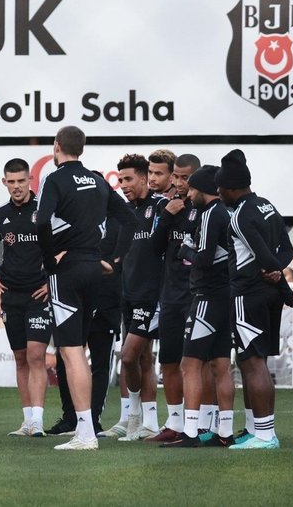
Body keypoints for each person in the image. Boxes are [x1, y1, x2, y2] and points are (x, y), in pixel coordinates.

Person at [35, 126, 136, 451]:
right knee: (78, 351)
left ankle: (85, 433)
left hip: (68, 271)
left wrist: (50, 260)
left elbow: (41, 221)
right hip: (95, 271)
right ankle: (86, 427)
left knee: (72, 351)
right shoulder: (97, 181)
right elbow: (130, 219)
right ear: (82, 147)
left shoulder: (55, 179)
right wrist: (113, 259)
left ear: (56, 146)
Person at [216, 149, 293, 450]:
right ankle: (254, 429)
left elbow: (263, 255)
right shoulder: (267, 205)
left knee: (252, 362)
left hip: (248, 293)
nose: (219, 193)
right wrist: (280, 278)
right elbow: (287, 249)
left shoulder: (239, 217)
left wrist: (275, 274)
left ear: (231, 187)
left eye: (220, 188)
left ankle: (264, 435)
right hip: (269, 293)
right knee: (254, 360)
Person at [162, 166, 237, 448]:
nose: (189, 193)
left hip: (207, 297)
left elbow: (204, 259)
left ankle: (191, 432)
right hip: (225, 296)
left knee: (190, 364)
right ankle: (225, 432)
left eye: (192, 188)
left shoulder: (209, 214)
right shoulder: (225, 213)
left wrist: (185, 249)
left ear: (203, 189)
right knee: (220, 365)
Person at [0, 158, 51, 437]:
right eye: (11, 182)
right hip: (11, 296)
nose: (16, 187)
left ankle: (38, 421)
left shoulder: (45, 211)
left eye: (21, 181)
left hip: (38, 295)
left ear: (30, 180)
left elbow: (63, 247)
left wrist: (50, 281)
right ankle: (27, 420)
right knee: (21, 357)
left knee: (36, 355)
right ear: (4, 183)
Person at [145, 152, 201, 442]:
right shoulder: (165, 208)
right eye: (176, 177)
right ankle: (175, 423)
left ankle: (204, 423)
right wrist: (167, 216)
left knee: (197, 363)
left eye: (184, 177)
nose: (179, 183)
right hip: (170, 296)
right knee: (168, 360)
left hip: (197, 296)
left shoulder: (205, 209)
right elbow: (154, 249)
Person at [114, 153, 165, 442]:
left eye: (129, 179)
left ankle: (134, 417)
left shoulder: (160, 207)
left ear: (144, 178)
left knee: (128, 355)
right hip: (128, 293)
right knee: (143, 358)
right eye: (120, 179)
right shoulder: (124, 212)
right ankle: (148, 423)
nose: (123, 185)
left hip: (151, 296)